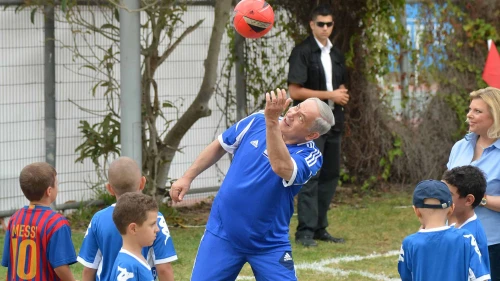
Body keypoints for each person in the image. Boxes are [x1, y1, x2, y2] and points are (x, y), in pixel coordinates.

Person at [170, 88, 334, 280]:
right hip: (222, 233)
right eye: (296, 107)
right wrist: (187, 177)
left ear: (311, 135)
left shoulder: (310, 156)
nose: (290, 113)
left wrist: (272, 122)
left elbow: (281, 166)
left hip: (268, 243)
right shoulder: (257, 120)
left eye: (301, 118)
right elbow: (221, 145)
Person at [287, 4, 349, 246]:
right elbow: (295, 90)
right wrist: (330, 95)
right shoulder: (302, 52)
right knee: (311, 174)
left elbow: (341, 88)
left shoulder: (336, 54)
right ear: (312, 25)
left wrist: (339, 96)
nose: (325, 28)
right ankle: (305, 231)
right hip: (312, 124)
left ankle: (320, 227)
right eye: (321, 24)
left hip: (334, 121)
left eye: (329, 24)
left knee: (330, 174)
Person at [78, 157, 177, 281]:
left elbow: (89, 269)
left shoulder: (98, 219)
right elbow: (164, 268)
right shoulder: (155, 218)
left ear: (109, 188)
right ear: (142, 182)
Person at [447, 87, 500, 280]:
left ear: (495, 116)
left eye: (478, 111)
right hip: (454, 239)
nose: (469, 115)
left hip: (491, 245)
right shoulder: (460, 146)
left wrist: (479, 199)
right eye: (470, 109)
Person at [397, 180, 490, 281]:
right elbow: (481, 278)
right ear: (451, 208)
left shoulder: (409, 243)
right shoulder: (465, 238)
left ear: (416, 210)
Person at [1, 162, 78, 281]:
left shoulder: (15, 219)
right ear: (49, 191)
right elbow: (60, 266)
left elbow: (11, 262)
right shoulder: (56, 223)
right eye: (57, 184)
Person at [442, 165, 490, 270]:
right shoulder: (454, 225)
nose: (442, 198)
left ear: (468, 200)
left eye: (448, 194)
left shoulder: (468, 236)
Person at [109, 192, 159, 280]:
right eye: (152, 224)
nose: (157, 229)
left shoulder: (134, 260)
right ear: (133, 229)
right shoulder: (127, 267)